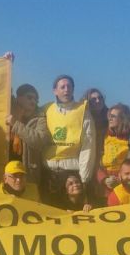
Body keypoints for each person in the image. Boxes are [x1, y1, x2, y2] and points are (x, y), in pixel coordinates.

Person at [41, 75, 96, 205]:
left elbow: (88, 146)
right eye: (62, 87)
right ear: (55, 91)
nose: (66, 90)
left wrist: (84, 178)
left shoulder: (82, 111)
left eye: (69, 87)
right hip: (48, 173)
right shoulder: (46, 109)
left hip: (72, 173)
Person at [7, 83, 49, 193]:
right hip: (6, 169)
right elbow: (3, 89)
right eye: (29, 97)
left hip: (27, 174)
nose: (33, 101)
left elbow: (40, 141)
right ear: (18, 98)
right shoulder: (7, 110)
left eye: (36, 100)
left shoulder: (40, 118)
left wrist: (15, 125)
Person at [97, 103, 130, 196]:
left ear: (123, 118)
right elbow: (96, 162)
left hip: (124, 182)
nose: (110, 119)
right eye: (109, 116)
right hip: (105, 185)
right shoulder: (103, 136)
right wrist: (104, 179)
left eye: (113, 116)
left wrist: (120, 178)